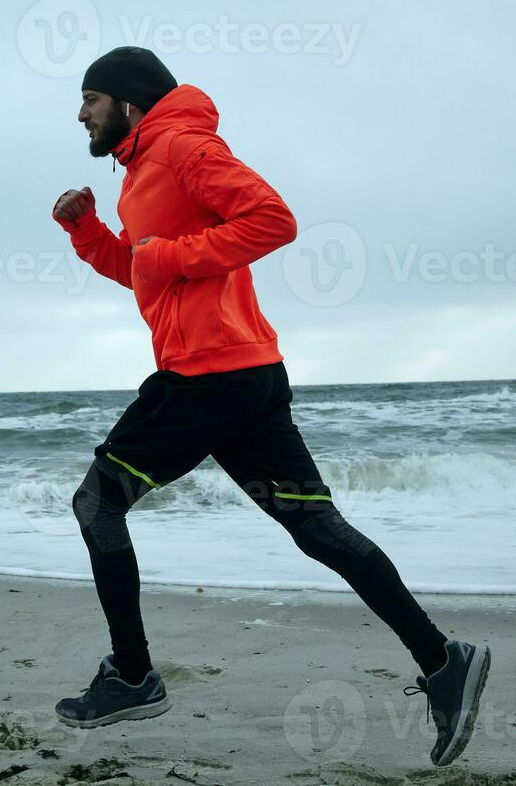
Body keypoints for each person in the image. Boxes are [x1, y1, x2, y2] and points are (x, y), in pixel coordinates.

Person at [48, 46, 491, 767]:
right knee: (317, 529)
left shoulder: (185, 147)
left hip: (206, 377)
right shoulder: (138, 174)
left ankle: (132, 676)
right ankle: (445, 661)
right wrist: (90, 234)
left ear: (127, 102)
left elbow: (272, 220)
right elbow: (147, 274)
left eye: (90, 99)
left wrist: (169, 256)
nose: (80, 114)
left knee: (98, 505)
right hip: (244, 375)